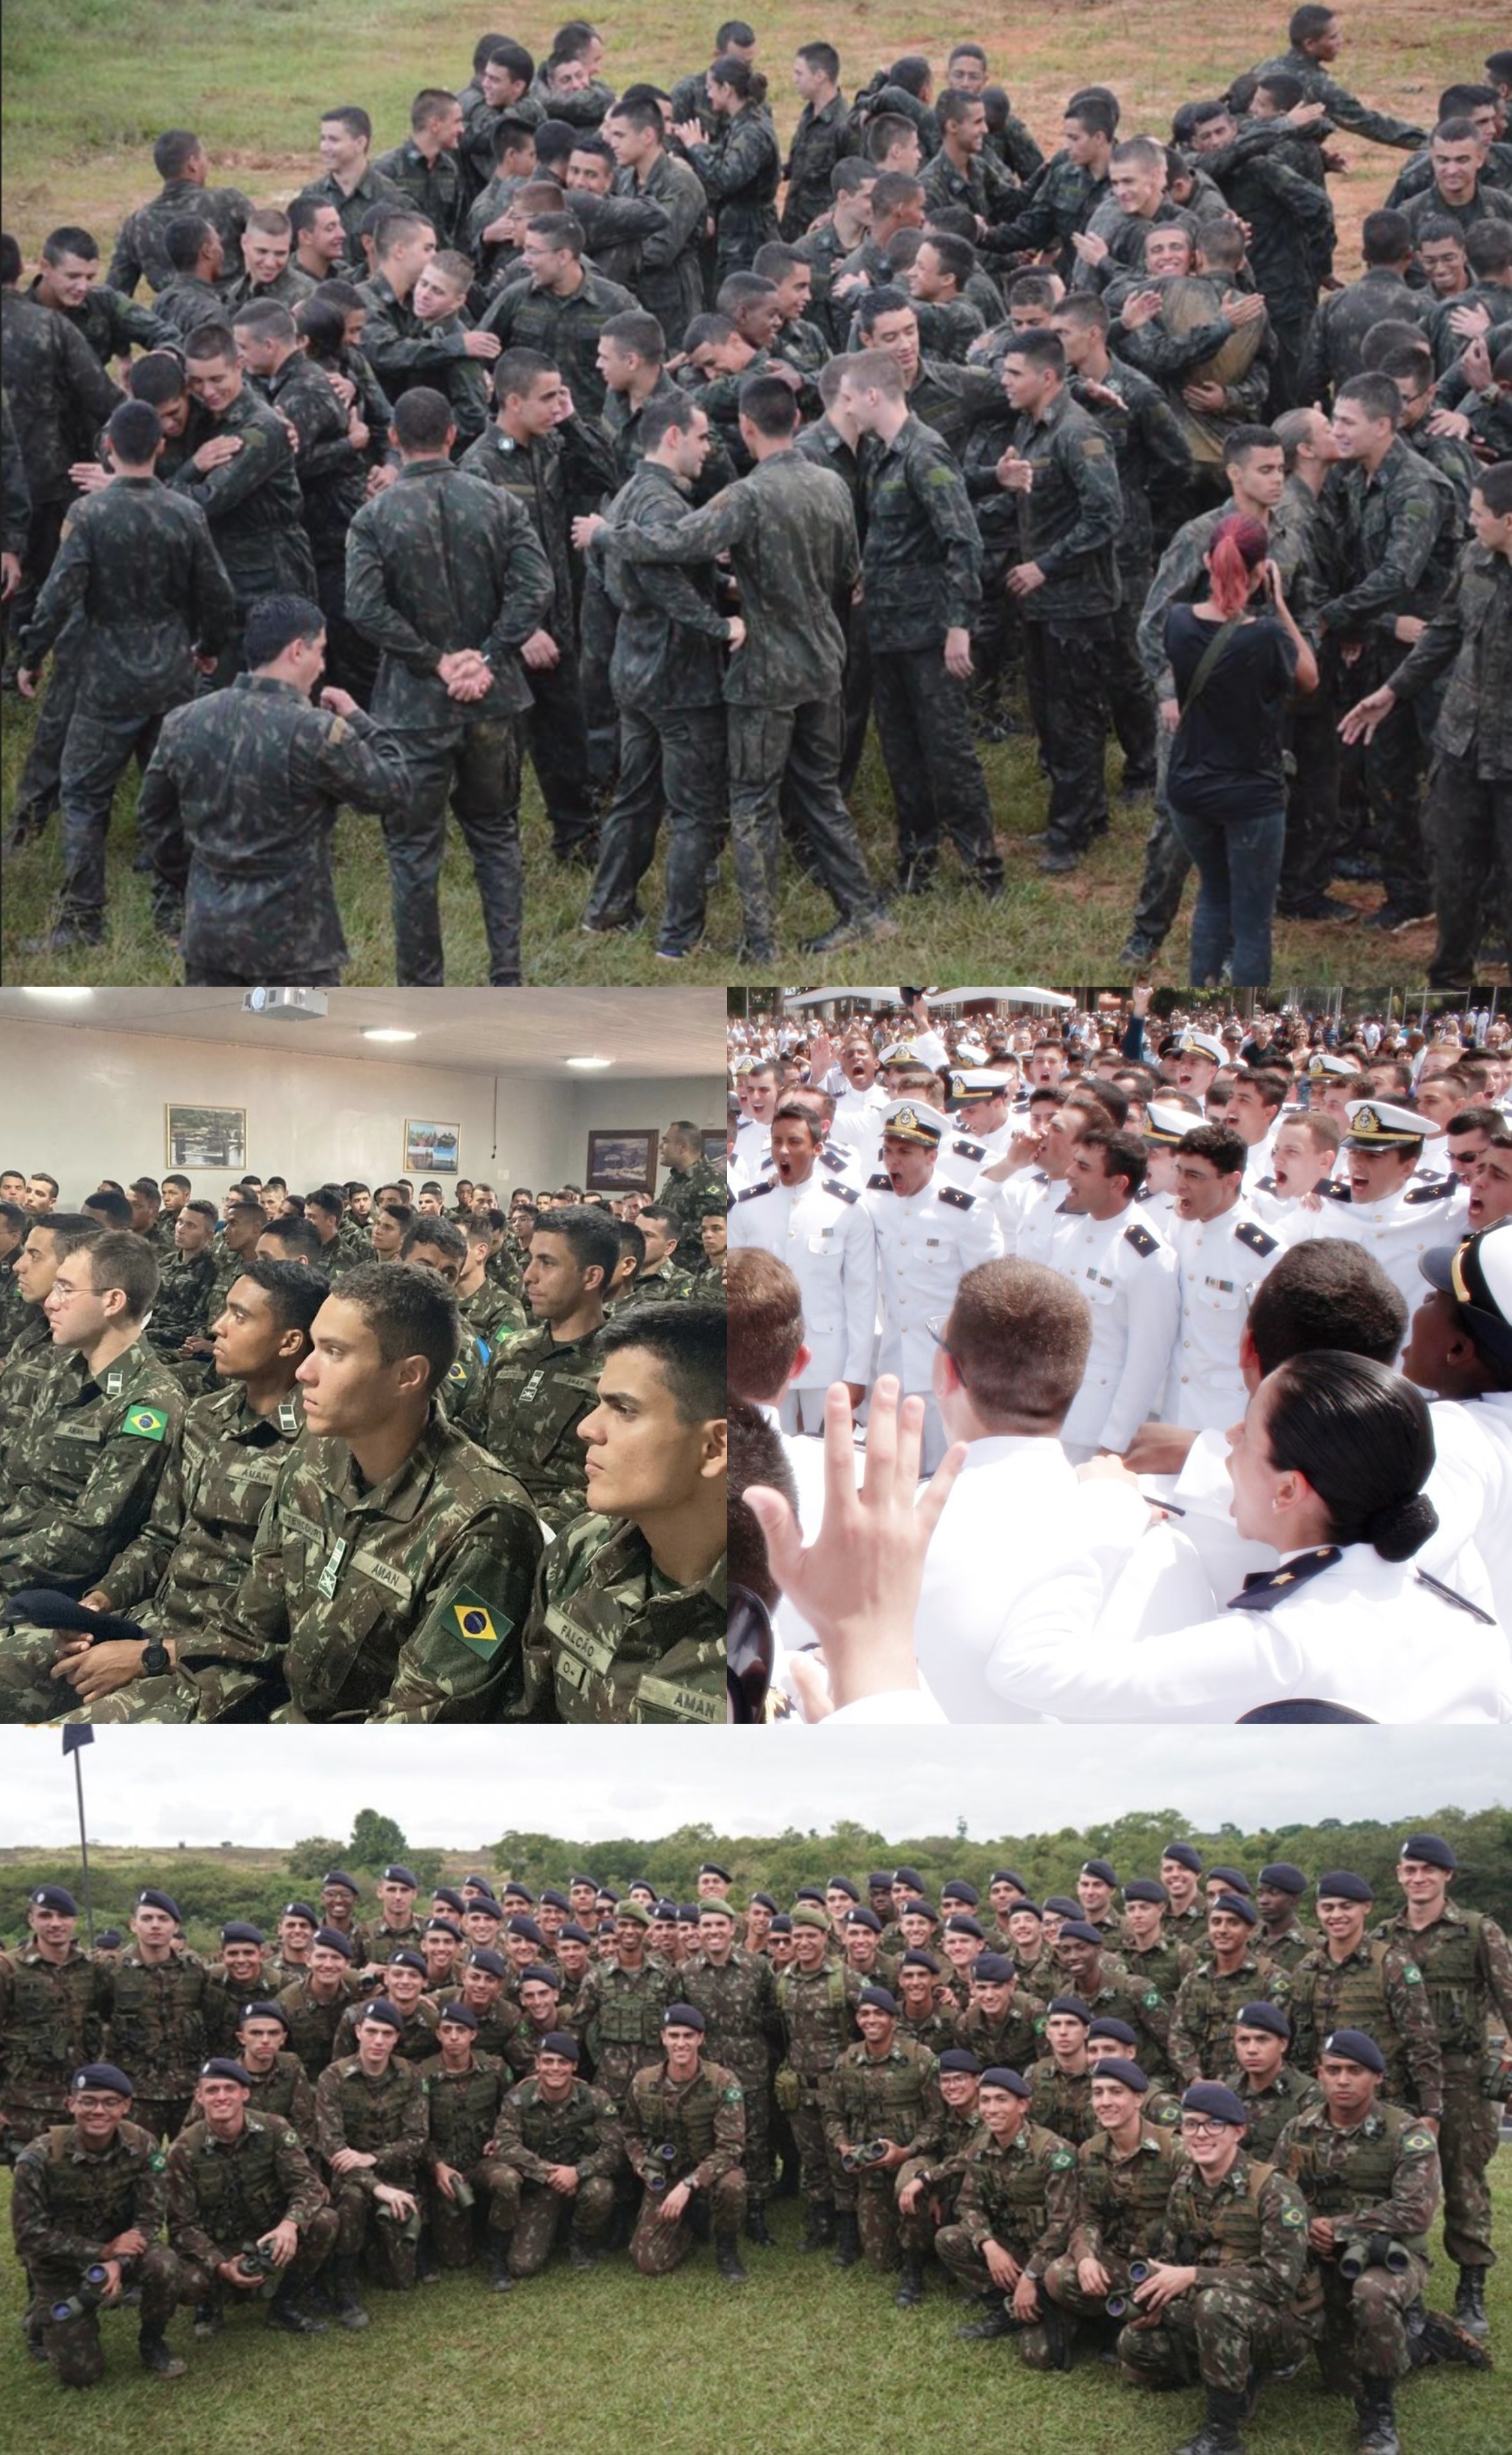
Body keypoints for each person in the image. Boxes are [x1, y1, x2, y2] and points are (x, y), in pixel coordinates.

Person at [615, 371, 888, 963]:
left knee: (752, 803)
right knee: (821, 793)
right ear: (798, 420)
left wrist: (609, 534)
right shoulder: (832, 484)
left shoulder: (746, 496)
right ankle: (862, 911)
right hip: (824, 661)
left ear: (744, 427)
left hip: (765, 672)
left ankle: (761, 941)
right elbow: (849, 573)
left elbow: (674, 542)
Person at [344, 386, 556, 984]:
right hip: (492, 699)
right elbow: (537, 587)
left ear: (393, 439)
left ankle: (422, 987)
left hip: (413, 709)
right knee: (495, 836)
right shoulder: (497, 503)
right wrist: (489, 654)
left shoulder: (374, 517)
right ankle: (507, 976)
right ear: (453, 435)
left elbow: (363, 608)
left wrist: (434, 661)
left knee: (413, 852)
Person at [13, 399, 235, 953]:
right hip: (171, 673)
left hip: (105, 680)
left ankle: (82, 921)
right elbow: (218, 594)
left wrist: (30, 655)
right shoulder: (186, 513)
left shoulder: (90, 515)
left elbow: (58, 595)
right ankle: (174, 914)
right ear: (161, 446)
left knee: (85, 796)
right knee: (173, 795)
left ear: (109, 447)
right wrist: (208, 648)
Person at [137, 592, 409, 983]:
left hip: (210, 938)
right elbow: (393, 790)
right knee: (292, 1027)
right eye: (320, 651)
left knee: (218, 1027)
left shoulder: (184, 722)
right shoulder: (315, 732)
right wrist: (358, 719)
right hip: (294, 948)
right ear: (297, 650)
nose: (323, 665)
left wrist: (197, 877)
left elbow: (153, 817)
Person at [1340, 463, 1512, 988]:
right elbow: (1444, 630)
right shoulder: (1475, 558)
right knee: (1452, 865)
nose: (1470, 522)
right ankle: (1450, 981)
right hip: (1462, 745)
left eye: (1478, 514)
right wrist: (1393, 690)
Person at [516, 1303, 726, 1722]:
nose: (588, 1429)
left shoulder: (762, 1635)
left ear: (714, 1448)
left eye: (625, 1410)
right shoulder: (580, 1552)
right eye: (600, 1404)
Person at [1163, 511, 1319, 983]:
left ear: (1208, 562)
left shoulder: (1177, 622)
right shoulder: (1266, 636)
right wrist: (1280, 604)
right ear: (1260, 571)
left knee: (1214, 894)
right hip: (1251, 793)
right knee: (1252, 920)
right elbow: (1309, 677)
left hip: (1190, 787)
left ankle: (1201, 996)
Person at [9, 2061, 186, 2385]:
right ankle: (43, 2317)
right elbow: (29, 2237)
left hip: (121, 2250)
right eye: (88, 2101)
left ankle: (152, 2341)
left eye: (110, 2102)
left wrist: (117, 2261)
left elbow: (149, 2218)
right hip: (60, 2263)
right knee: (82, 2376)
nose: (98, 2111)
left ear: (126, 2106)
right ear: (71, 2104)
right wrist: (101, 2252)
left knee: (165, 2264)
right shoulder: (39, 2159)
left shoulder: (143, 2145)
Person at [728, 1100, 875, 1431]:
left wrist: (856, 1374)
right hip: (762, 1362)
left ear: (817, 1148)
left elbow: (861, 1297)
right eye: (777, 1141)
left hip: (826, 1362)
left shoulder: (846, 1210)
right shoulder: (749, 1207)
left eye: (795, 1142)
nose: (783, 1151)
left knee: (825, 1452)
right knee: (764, 1452)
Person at [165, 2055, 337, 2337]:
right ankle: (210, 2304)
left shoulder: (274, 2129)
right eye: (212, 2090)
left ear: (245, 2093)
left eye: (230, 2089)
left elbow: (309, 2186)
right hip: (218, 2241)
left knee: (325, 2221)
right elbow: (181, 2226)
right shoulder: (183, 2150)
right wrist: (221, 2265)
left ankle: (285, 2304)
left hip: (268, 2233)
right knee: (188, 2280)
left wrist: (289, 2225)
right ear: (199, 2097)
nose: (221, 2097)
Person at [623, 2003, 748, 2281]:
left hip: (708, 2173)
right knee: (649, 2263)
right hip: (665, 2174)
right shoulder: (644, 2082)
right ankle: (689, 2225)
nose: (681, 2043)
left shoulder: (723, 2081)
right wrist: (643, 2164)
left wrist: (690, 2184)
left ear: (701, 2038)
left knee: (733, 2184)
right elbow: (630, 2133)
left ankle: (726, 2248)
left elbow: (731, 2147)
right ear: (663, 2038)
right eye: (674, 2036)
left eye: (688, 2036)